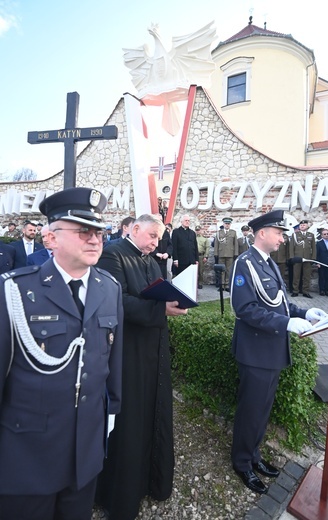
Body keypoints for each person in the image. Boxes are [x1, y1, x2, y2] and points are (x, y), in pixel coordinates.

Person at [0, 187, 123, 520]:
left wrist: (110, 414)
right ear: (51, 237)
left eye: (99, 231)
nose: (95, 239)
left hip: (85, 454)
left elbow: (112, 363)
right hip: (27, 458)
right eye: (83, 230)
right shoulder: (14, 291)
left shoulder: (109, 288)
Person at [94, 214, 188, 520]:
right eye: (151, 236)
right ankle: (119, 495)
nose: (155, 243)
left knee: (153, 413)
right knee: (130, 422)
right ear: (134, 229)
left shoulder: (149, 259)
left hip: (153, 350)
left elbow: (153, 292)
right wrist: (160, 308)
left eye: (158, 238)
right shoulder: (112, 254)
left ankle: (152, 481)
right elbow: (115, 300)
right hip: (128, 353)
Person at [229, 209, 327, 495]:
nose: (283, 238)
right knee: (251, 410)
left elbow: (279, 303)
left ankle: (254, 456)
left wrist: (305, 312)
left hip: (271, 349)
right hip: (256, 351)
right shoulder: (245, 263)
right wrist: (287, 323)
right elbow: (245, 309)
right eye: (279, 233)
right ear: (262, 233)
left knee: (262, 409)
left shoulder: (268, 263)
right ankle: (242, 462)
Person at [289, 219, 316, 298]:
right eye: (301, 225)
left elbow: (314, 247)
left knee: (306, 276)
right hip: (297, 258)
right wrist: (292, 257)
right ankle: (295, 291)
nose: (302, 226)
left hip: (307, 258)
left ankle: (305, 291)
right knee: (296, 275)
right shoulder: (295, 235)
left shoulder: (311, 235)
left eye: (304, 225)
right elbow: (291, 247)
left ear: (307, 226)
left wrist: (313, 258)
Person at [213, 217, 238, 291]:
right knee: (221, 270)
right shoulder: (219, 233)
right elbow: (216, 243)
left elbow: (235, 243)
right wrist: (216, 253)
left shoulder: (233, 232)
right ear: (223, 224)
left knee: (229, 270)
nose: (227, 225)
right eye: (226, 223)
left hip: (230, 253)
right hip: (221, 253)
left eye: (228, 224)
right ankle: (222, 285)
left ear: (230, 224)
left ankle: (227, 285)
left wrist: (236, 253)